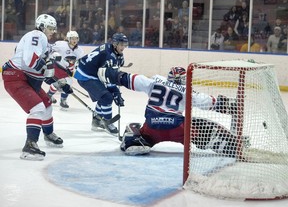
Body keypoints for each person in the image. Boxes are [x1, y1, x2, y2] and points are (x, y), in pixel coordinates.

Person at [97, 66, 238, 156]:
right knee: (201, 125)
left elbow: (128, 79)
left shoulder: (155, 81)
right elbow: (209, 102)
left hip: (152, 127)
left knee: (137, 128)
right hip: (178, 128)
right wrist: (232, 106)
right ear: (183, 79)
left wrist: (108, 73)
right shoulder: (188, 91)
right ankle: (230, 145)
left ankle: (134, 141)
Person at [1, 14, 73, 160]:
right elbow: (30, 60)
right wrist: (49, 70)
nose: (52, 31)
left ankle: (48, 134)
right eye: (50, 28)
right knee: (38, 108)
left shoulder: (44, 44)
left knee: (47, 105)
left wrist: (59, 82)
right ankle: (29, 146)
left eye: (54, 28)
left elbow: (43, 72)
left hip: (26, 78)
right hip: (16, 77)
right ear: (41, 26)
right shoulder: (37, 35)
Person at [73, 33, 128, 135]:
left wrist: (115, 92)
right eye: (121, 44)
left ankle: (96, 120)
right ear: (115, 44)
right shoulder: (109, 56)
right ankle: (108, 122)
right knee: (107, 97)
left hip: (92, 73)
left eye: (125, 45)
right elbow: (108, 78)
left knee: (104, 96)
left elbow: (107, 75)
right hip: (85, 75)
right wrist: (116, 92)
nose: (123, 47)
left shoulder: (111, 49)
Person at [47, 31, 84, 109]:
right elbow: (49, 49)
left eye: (76, 38)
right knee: (67, 82)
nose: (74, 40)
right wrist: (51, 57)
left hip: (66, 70)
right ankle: (58, 99)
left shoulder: (79, 51)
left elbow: (78, 63)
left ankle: (50, 95)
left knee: (66, 83)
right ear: (68, 39)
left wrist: (72, 71)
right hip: (57, 66)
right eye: (72, 38)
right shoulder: (61, 45)